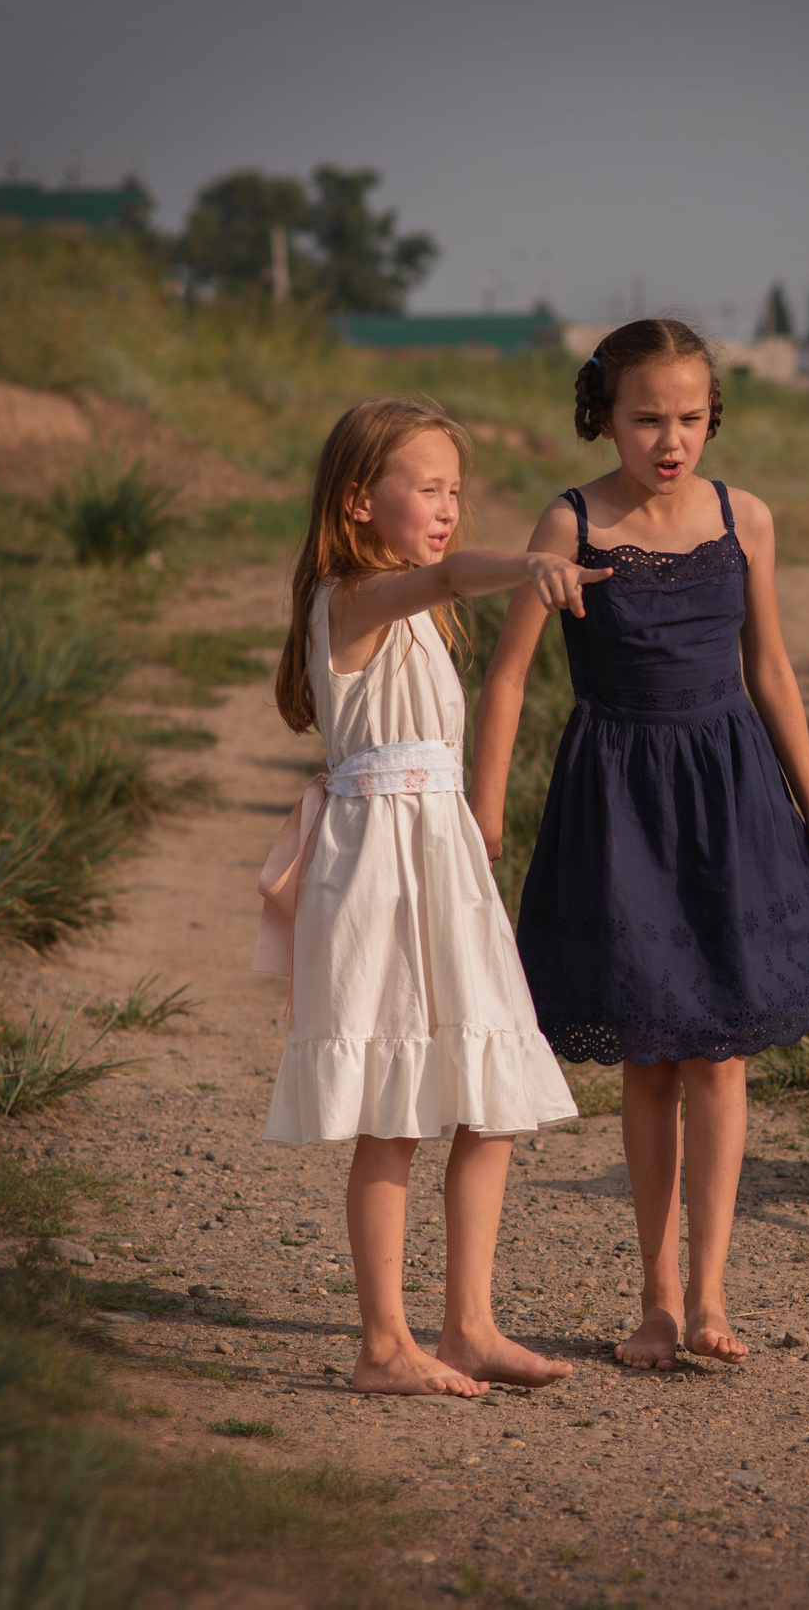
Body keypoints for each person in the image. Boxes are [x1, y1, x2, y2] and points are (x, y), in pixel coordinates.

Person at [472, 318, 809, 1372]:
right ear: (602, 416)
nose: (670, 440)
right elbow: (509, 676)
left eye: (690, 418)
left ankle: (710, 1296)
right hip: (616, 799)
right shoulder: (568, 522)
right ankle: (655, 1301)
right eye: (646, 418)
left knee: (720, 1053)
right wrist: (485, 812)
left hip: (728, 796)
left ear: (714, 417)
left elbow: (772, 670)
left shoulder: (744, 518)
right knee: (650, 1056)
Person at [257, 395, 601, 1396]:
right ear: (359, 501)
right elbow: (448, 574)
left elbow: (442, 591)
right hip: (378, 874)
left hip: (442, 866)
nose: (449, 507)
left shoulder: (416, 608)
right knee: (395, 1110)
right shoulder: (353, 596)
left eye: (457, 489)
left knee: (491, 1100)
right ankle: (382, 1343)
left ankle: (469, 1324)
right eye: (428, 488)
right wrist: (532, 566)